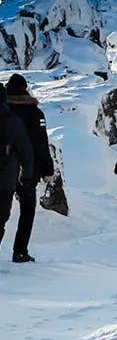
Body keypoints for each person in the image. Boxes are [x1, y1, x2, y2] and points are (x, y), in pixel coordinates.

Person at [5, 74, 54, 263]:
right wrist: (48, 169)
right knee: (27, 210)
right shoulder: (34, 113)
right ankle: (20, 251)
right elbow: (41, 143)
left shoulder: (3, 111)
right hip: (28, 169)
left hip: (3, 168)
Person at [0, 83, 36, 263]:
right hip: (5, 180)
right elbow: (26, 150)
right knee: (0, 218)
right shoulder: (11, 120)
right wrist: (27, 174)